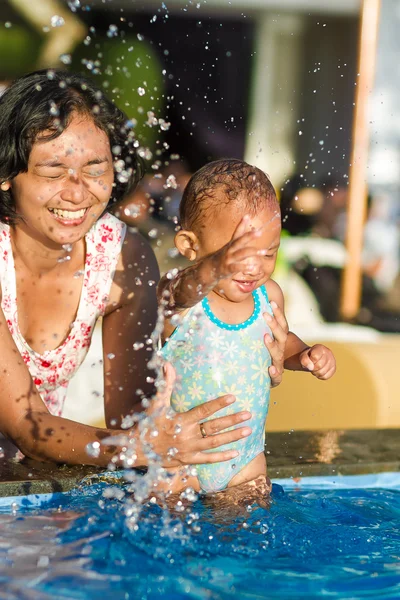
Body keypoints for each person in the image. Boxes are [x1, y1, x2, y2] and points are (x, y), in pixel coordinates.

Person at [0, 70, 287, 472]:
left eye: (96, 169)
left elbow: (133, 417)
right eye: (53, 171)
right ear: (6, 174)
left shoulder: (118, 256)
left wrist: (241, 360)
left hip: (21, 477)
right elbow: (29, 428)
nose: (78, 191)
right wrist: (141, 448)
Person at [158, 159, 336, 494]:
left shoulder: (268, 297)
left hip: (245, 459)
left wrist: (307, 355)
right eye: (236, 254)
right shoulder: (182, 302)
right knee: (171, 535)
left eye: (268, 254)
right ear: (190, 246)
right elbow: (176, 292)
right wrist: (212, 270)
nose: (254, 267)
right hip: (181, 459)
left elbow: (280, 345)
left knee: (247, 537)